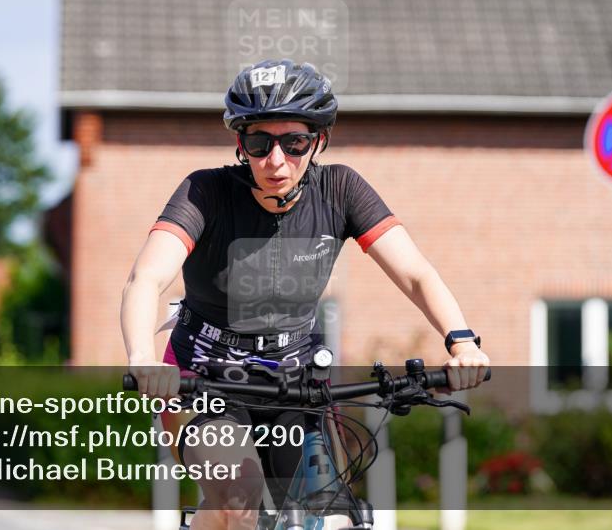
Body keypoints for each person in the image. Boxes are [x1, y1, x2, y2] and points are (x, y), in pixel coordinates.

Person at [120, 59, 490, 530]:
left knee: (328, 515)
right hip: (205, 376)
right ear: (241, 143)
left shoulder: (340, 189)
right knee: (237, 497)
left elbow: (415, 272)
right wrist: (142, 356)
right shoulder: (205, 192)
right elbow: (146, 279)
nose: (276, 161)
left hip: (295, 376)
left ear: (317, 141)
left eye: (293, 143)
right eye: (259, 143)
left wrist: (462, 342)